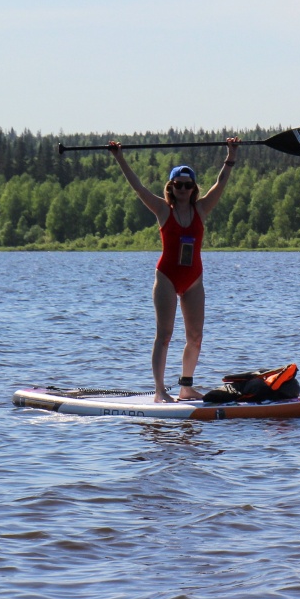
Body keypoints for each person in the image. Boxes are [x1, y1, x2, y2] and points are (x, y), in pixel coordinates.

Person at [109, 139, 239, 402]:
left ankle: (186, 387)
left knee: (195, 336)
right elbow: (138, 187)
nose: (182, 189)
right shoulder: (161, 209)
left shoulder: (201, 209)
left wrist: (231, 155)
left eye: (187, 185)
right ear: (171, 187)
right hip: (167, 277)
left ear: (193, 189)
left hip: (194, 280)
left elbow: (221, 183)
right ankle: (159, 391)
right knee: (165, 335)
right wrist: (120, 158)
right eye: (177, 185)